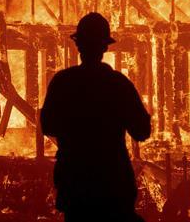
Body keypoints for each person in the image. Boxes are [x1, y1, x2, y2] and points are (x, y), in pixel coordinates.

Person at [41, 12, 152, 221]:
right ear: (105, 47)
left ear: (78, 45)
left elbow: (48, 126)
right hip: (113, 182)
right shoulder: (118, 84)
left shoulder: (62, 82)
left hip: (75, 183)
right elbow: (142, 131)